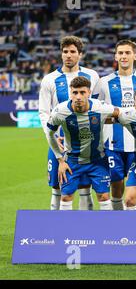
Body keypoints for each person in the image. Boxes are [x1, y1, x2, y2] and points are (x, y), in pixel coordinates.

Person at [39, 36, 99, 210]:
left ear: (80, 54)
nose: (68, 55)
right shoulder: (49, 80)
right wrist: (52, 136)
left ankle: (83, 228)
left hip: (86, 142)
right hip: (59, 141)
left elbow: (96, 108)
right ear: (61, 54)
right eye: (65, 52)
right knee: (58, 186)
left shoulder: (92, 76)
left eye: (73, 52)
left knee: (85, 187)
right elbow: (44, 113)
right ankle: (57, 228)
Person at [45, 76, 117, 210]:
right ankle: (66, 231)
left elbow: (119, 113)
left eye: (82, 92)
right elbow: (49, 133)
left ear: (89, 93)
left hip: (97, 161)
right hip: (72, 161)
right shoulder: (60, 111)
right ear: (70, 93)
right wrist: (60, 160)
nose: (78, 97)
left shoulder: (99, 107)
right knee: (66, 197)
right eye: (75, 92)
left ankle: (108, 229)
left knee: (104, 197)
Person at [92, 40, 136, 210]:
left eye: (127, 53)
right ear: (116, 56)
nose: (124, 56)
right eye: (120, 53)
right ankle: (118, 226)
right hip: (112, 144)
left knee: (135, 189)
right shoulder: (104, 82)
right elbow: (96, 110)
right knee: (116, 186)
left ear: (135, 55)